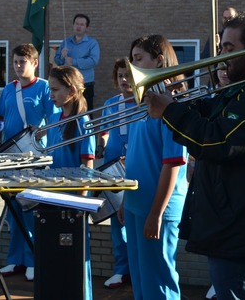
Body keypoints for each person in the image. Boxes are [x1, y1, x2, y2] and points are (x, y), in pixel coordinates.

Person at [145, 13, 245, 300]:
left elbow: (219, 142)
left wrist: (170, 111)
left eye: (230, 49)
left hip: (242, 230)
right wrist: (179, 103)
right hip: (229, 226)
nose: (221, 56)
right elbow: (217, 118)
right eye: (222, 48)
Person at [119, 36, 187, 300]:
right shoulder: (142, 101)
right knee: (140, 278)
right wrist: (126, 198)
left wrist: (156, 213)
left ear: (159, 60)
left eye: (138, 59)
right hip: (137, 202)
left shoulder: (172, 104)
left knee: (159, 281)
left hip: (158, 207)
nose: (133, 66)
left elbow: (173, 164)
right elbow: (135, 155)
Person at [0, 43, 57, 279]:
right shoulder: (9, 88)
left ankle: (32, 259)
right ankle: (15, 259)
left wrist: (42, 131)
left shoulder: (45, 88)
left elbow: (54, 118)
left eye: (23, 62)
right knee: (13, 210)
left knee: (31, 209)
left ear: (35, 63)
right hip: (10, 159)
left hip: (34, 158)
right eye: (16, 62)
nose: (18, 66)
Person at [45, 65, 95, 297]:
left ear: (72, 91)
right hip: (54, 199)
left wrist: (80, 205)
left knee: (76, 259)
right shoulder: (54, 119)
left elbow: (87, 168)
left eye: (55, 89)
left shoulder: (83, 122)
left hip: (73, 203)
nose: (51, 95)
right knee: (57, 259)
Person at [98, 58, 132, 289]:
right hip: (112, 169)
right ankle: (121, 269)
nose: (123, 80)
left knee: (133, 219)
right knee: (116, 221)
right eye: (120, 76)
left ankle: (135, 268)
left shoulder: (144, 103)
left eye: (127, 75)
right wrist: (102, 143)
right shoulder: (110, 103)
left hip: (135, 168)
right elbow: (104, 132)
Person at [54, 14, 100, 109]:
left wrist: (74, 61)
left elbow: (93, 61)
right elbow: (57, 61)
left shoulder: (92, 43)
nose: (78, 27)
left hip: (85, 84)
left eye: (82, 24)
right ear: (73, 25)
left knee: (86, 112)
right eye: (76, 24)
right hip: (68, 84)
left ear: (86, 27)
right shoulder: (66, 42)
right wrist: (62, 56)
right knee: (69, 111)